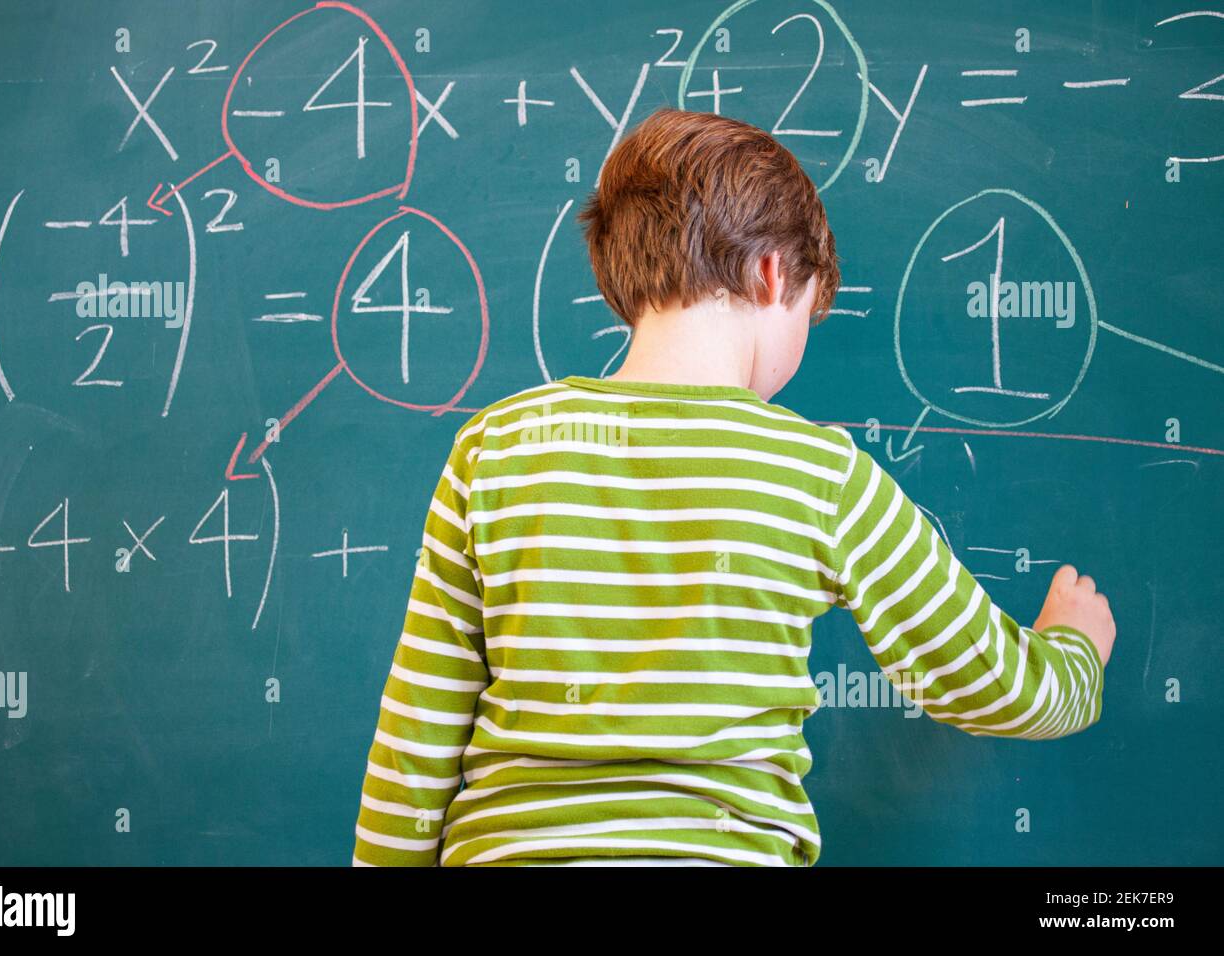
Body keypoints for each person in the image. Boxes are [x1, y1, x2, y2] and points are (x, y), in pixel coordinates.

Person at [351, 107, 1116, 867]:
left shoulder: (497, 446)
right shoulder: (821, 474)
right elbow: (988, 684)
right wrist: (1076, 646)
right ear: (772, 271)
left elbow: (416, 737)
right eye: (809, 314)